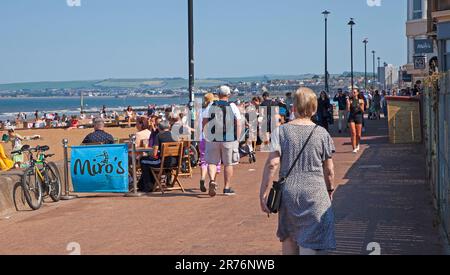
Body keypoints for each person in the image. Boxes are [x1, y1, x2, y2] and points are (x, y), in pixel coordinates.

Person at [260, 87, 336, 255]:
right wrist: (330, 189)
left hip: (289, 193)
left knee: (289, 238)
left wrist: (263, 192)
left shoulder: (281, 131)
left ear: (293, 107)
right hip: (315, 192)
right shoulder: (322, 134)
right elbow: (329, 170)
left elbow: (272, 164)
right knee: (310, 240)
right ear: (314, 108)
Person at [203, 85, 242, 197]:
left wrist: (206, 134)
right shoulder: (233, 106)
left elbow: (204, 122)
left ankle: (212, 181)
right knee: (228, 163)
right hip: (228, 138)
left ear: (218, 94)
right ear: (228, 95)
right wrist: (237, 139)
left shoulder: (211, 105)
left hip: (213, 137)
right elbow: (238, 123)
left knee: (212, 162)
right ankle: (226, 187)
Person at [138, 121, 177, 192]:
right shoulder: (175, 135)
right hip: (175, 162)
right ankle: (152, 183)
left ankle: (148, 185)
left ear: (159, 128)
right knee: (148, 161)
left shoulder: (159, 135)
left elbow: (154, 154)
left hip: (163, 163)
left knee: (143, 160)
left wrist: (149, 154)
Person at [198, 93, 221, 192]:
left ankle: (203, 178)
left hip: (202, 138)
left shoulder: (202, 111)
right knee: (216, 161)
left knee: (204, 160)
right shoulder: (217, 109)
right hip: (215, 139)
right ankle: (213, 181)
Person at [347, 89, 365, 154]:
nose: (353, 93)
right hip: (351, 118)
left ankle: (357, 144)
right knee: (353, 133)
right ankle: (354, 148)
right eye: (352, 92)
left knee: (359, 135)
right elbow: (348, 110)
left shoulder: (361, 101)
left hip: (358, 117)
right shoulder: (350, 100)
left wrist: (359, 106)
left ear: (357, 93)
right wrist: (348, 103)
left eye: (354, 92)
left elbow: (363, 111)